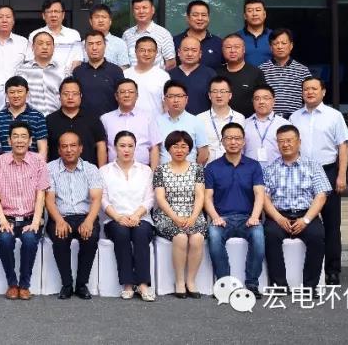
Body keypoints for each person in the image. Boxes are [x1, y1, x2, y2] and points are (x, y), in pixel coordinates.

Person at [290, 76, 348, 285]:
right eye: (306, 89)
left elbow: (343, 146)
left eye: (314, 89)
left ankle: (332, 270)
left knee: (332, 223)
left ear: (323, 92)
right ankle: (304, 268)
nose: (310, 92)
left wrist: (341, 175)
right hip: (302, 172)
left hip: (328, 170)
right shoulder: (294, 117)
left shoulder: (334, 116)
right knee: (304, 219)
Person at [262, 124, 331, 291]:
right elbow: (264, 197)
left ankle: (310, 286)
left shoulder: (313, 165)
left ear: (299, 142)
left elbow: (321, 196)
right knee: (270, 235)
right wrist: (278, 218)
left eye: (289, 140)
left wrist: (306, 220)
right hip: (279, 215)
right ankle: (279, 284)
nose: (285, 144)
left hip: (306, 214)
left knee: (317, 237)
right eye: (281, 141)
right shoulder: (270, 169)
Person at [0, 121, 50, 300]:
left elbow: (41, 194)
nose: (19, 140)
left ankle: (24, 285)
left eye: (24, 137)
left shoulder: (38, 161)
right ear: (9, 140)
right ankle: (12, 284)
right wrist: (2, 221)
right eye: (15, 136)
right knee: (5, 239)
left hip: (30, 218)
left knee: (29, 239)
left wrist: (36, 222)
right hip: (7, 218)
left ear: (30, 141)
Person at [204, 122, 266, 298]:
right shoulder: (212, 167)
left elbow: (259, 194)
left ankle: (252, 284)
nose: (233, 142)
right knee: (214, 236)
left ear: (244, 141)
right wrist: (215, 217)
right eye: (229, 138)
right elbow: (207, 197)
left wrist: (255, 217)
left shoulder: (253, 166)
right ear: (222, 141)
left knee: (258, 237)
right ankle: (224, 284)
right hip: (222, 218)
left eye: (237, 138)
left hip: (248, 218)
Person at [45, 132, 103, 300]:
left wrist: (89, 221)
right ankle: (67, 284)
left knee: (90, 237)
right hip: (61, 215)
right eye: (64, 146)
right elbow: (49, 200)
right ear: (59, 150)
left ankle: (82, 284)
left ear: (80, 148)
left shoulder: (91, 169)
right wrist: (59, 221)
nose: (69, 150)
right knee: (60, 237)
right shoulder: (50, 168)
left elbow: (96, 199)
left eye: (73, 146)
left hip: (85, 215)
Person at [153, 130, 208, 299]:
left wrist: (193, 217)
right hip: (167, 215)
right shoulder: (160, 170)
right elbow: (160, 198)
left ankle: (191, 281)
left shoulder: (197, 169)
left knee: (197, 238)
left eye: (184, 146)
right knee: (181, 237)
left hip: (193, 213)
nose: (179, 150)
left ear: (189, 149)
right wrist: (175, 217)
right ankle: (179, 281)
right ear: (168, 149)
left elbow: (200, 195)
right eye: (175, 146)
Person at [100, 131, 155, 301]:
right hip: (114, 219)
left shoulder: (145, 170)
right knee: (122, 233)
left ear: (135, 148)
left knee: (140, 233)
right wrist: (118, 217)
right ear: (114, 148)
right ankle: (128, 284)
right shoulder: (104, 171)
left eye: (130, 146)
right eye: (122, 146)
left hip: (141, 218)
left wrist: (137, 215)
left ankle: (143, 284)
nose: (126, 150)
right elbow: (103, 199)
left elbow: (150, 198)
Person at [101, 79, 162, 169]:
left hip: (143, 170)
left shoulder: (148, 117)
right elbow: (102, 148)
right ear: (116, 96)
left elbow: (154, 147)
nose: (127, 95)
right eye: (122, 92)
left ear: (137, 96)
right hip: (113, 170)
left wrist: (153, 174)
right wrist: (103, 172)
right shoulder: (105, 119)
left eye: (131, 92)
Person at [46, 78, 107, 165]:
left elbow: (101, 145)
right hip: (56, 172)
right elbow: (45, 148)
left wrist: (101, 170)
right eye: (66, 94)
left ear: (81, 96)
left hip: (88, 171)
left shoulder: (93, 119)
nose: (70, 97)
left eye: (74, 94)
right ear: (59, 96)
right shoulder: (50, 120)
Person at [72, 30, 125, 118]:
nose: (94, 48)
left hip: (110, 121)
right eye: (90, 44)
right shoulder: (78, 72)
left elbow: (122, 98)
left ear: (105, 46)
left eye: (98, 43)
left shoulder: (116, 71)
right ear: (85, 47)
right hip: (83, 121)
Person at [258, 28, 311, 116]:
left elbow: (310, 97)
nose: (280, 47)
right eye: (276, 43)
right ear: (270, 47)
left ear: (291, 46)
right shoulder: (261, 70)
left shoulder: (302, 70)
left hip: (294, 119)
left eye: (284, 43)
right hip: (269, 119)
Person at [157, 80, 210, 165]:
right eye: (171, 96)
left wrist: (193, 170)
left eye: (179, 96)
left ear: (186, 99)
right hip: (164, 171)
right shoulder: (157, 122)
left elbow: (204, 153)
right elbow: (155, 151)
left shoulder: (196, 122)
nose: (175, 100)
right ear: (165, 99)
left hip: (189, 171)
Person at [0, 76, 48, 155]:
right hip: (4, 162)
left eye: (20, 91)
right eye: (12, 92)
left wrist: (39, 163)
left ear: (27, 93)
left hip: (31, 162)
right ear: (6, 94)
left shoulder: (38, 117)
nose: (16, 95)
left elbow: (43, 149)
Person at [217, 33, 267, 117]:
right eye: (228, 47)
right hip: (220, 120)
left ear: (244, 49)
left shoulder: (256, 73)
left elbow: (263, 99)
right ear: (222, 50)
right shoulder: (216, 73)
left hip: (248, 121)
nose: (232, 50)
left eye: (237, 47)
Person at [27, 0, 81, 75]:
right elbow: (30, 60)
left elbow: (77, 60)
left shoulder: (74, 35)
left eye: (56, 11)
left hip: (67, 79)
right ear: (43, 15)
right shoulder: (34, 35)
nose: (53, 15)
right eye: (49, 12)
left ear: (63, 15)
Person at [121, 0, 175, 70]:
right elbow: (124, 62)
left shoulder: (163, 34)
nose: (141, 11)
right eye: (137, 8)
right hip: (131, 77)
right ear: (133, 12)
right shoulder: (127, 34)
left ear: (152, 10)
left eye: (144, 8)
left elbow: (171, 63)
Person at [15, 31, 63, 116]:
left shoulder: (62, 71)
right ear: (32, 47)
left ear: (53, 47)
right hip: (30, 119)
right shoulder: (21, 71)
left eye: (48, 44)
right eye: (40, 44)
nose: (45, 47)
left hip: (56, 119)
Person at [244, 85, 292, 167]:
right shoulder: (244, 124)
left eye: (266, 98)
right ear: (253, 102)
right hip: (250, 171)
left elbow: (291, 152)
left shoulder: (285, 124)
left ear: (274, 101)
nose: (261, 102)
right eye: (257, 99)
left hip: (277, 171)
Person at [169, 35, 217, 115]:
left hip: (203, 121)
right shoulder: (169, 76)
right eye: (186, 50)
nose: (190, 54)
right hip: (174, 120)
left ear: (200, 53)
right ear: (179, 52)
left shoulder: (210, 74)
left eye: (194, 50)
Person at [197, 76, 242, 162]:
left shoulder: (240, 118)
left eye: (223, 91)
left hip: (234, 167)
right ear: (209, 95)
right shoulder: (199, 119)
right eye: (215, 91)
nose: (219, 95)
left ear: (230, 95)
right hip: (207, 167)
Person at [124, 36, 170, 115]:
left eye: (150, 50)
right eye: (142, 50)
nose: (146, 54)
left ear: (156, 53)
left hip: (155, 121)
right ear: (135, 51)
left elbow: (166, 105)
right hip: (128, 120)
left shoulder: (163, 76)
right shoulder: (125, 74)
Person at [172, 0, 223, 69]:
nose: (200, 18)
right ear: (187, 18)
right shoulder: (174, 42)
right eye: (195, 15)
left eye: (204, 15)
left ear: (208, 18)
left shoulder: (219, 43)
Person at [84, 4, 130, 68]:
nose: (100, 20)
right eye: (97, 17)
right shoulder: (83, 44)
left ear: (110, 21)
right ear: (91, 21)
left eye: (104, 17)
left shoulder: (120, 43)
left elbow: (124, 67)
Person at [0, 5, 28, 78]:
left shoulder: (23, 42)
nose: (4, 20)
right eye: (0, 17)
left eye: (8, 17)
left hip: (16, 84)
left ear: (13, 21)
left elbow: (29, 66)